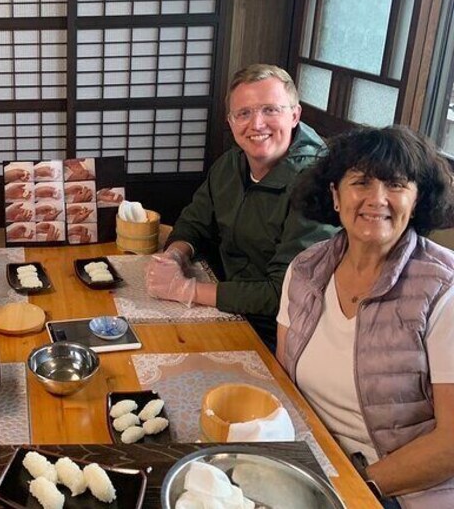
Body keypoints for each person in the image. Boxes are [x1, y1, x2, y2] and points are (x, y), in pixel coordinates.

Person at [277, 127, 454, 508]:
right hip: (314, 465)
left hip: (400, 489)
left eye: (395, 185)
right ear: (335, 196)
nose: (377, 199)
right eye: (361, 182)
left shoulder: (445, 290)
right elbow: (285, 386)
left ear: (417, 198)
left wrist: (347, 489)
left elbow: (450, 445)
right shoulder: (306, 269)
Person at [146, 64, 337, 349]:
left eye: (270, 110)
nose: (257, 124)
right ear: (230, 121)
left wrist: (188, 289)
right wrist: (174, 256)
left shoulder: (317, 183)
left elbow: (284, 292)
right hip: (227, 310)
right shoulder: (229, 165)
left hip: (285, 335)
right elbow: (194, 222)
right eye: (244, 113)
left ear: (295, 115)